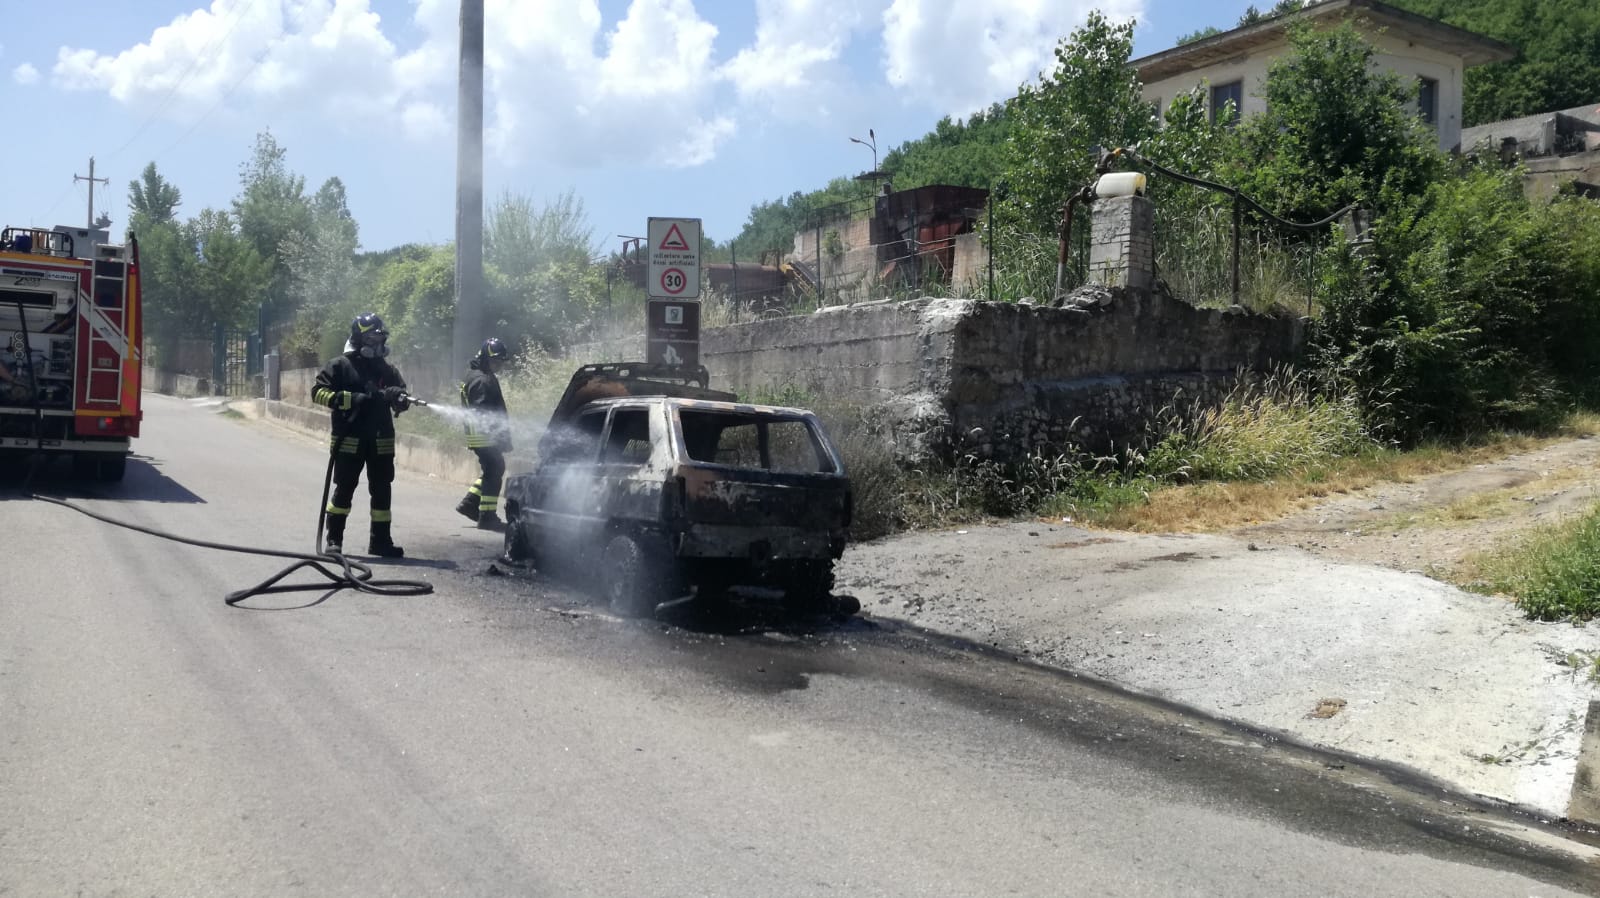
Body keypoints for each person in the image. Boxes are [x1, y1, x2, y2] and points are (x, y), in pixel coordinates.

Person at [312, 312, 411, 557]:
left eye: (379, 338)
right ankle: (334, 541)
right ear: (359, 339)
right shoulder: (339, 366)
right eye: (371, 339)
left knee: (382, 491)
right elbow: (318, 393)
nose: (377, 343)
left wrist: (399, 398)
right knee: (344, 490)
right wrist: (350, 399)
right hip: (349, 440)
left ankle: (381, 542)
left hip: (381, 440)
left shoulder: (387, 369)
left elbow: (402, 400)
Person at [455, 337, 512, 531]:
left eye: (501, 362)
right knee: (495, 469)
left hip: (480, 433)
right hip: (483, 434)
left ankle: (470, 503)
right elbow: (482, 411)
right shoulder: (481, 379)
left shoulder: (479, 374)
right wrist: (497, 434)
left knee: (493, 469)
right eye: (495, 361)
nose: (499, 365)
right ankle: (487, 516)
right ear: (485, 359)